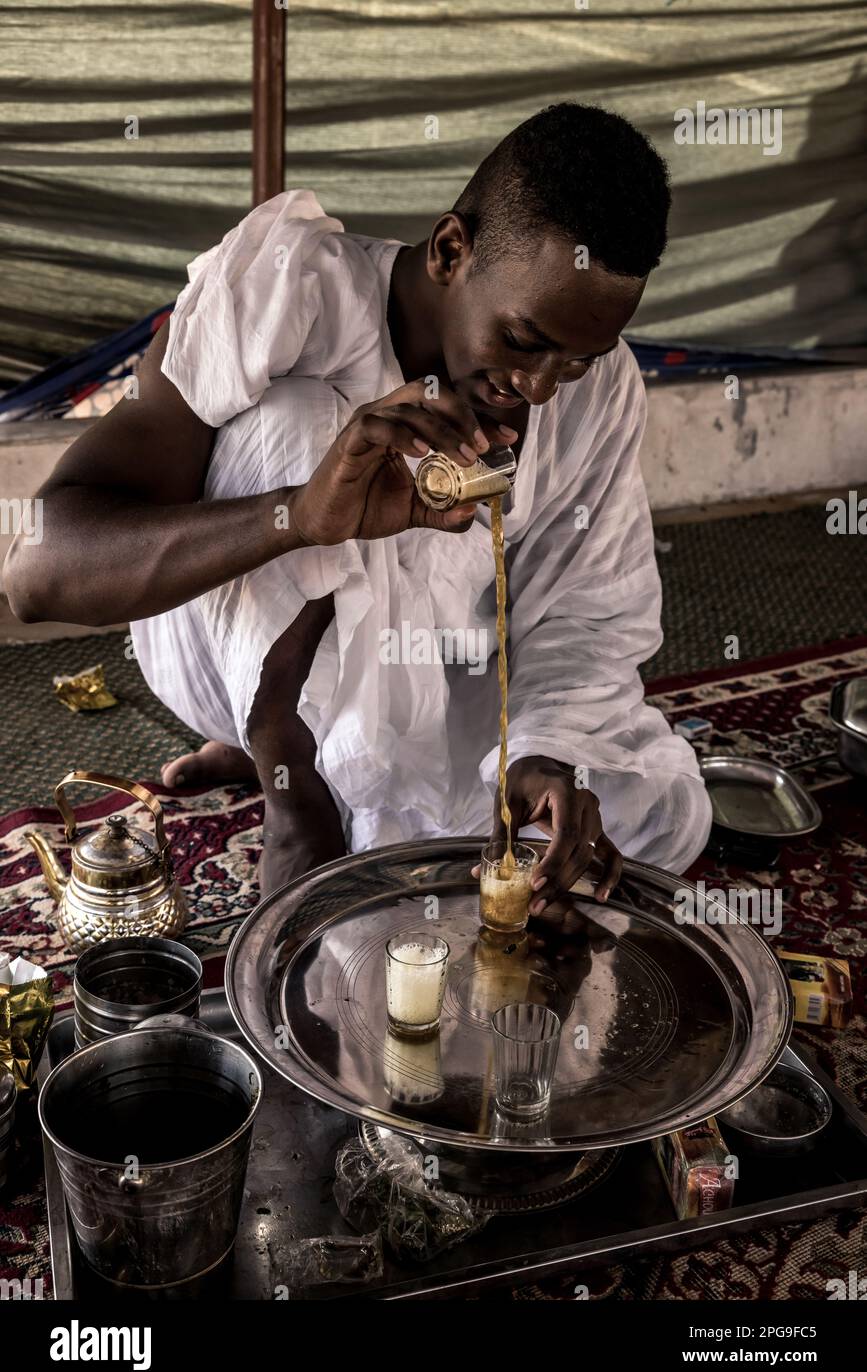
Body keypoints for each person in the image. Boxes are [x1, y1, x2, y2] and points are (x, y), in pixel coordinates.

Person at [4, 103, 712, 910]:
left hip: (428, 668)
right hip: (208, 651)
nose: (542, 389)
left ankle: (335, 758)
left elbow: (585, 609)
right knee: (312, 423)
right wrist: (299, 514)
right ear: (452, 250)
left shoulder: (598, 385)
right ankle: (291, 779)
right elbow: (36, 576)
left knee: (637, 823)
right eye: (522, 342)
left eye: (575, 362)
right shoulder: (287, 294)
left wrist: (545, 753)